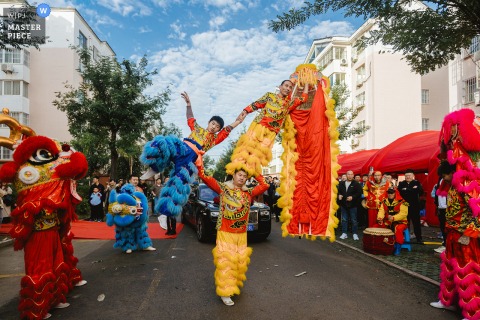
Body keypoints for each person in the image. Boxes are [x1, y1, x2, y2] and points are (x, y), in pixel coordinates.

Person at [140, 92, 245, 219]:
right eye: (213, 124)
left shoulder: (215, 139)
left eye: (217, 127)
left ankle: (165, 214)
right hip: (182, 148)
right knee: (164, 143)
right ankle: (155, 167)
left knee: (178, 185)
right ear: (209, 122)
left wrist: (238, 122)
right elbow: (190, 118)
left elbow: (227, 130)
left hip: (190, 158)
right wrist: (188, 105)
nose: (214, 127)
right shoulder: (197, 129)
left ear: (218, 130)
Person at [196, 157, 268, 306]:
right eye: (239, 175)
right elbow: (205, 176)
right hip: (225, 232)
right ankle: (225, 292)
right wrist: (199, 161)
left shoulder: (249, 193)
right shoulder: (224, 189)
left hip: (241, 234)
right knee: (226, 262)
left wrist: (255, 170)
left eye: (245, 176)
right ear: (233, 175)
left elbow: (265, 184)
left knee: (239, 263)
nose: (242, 178)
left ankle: (233, 286)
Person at [226, 80, 309, 177]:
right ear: (280, 86)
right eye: (286, 86)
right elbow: (256, 104)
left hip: (271, 133)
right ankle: (231, 176)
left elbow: (303, 98)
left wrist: (307, 82)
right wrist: (244, 112)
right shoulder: (270, 96)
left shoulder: (289, 104)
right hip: (259, 126)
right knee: (246, 151)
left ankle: (245, 178)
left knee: (256, 157)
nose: (288, 88)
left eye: (290, 87)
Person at [377, 188, 409, 255]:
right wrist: (380, 218)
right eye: (389, 193)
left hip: (401, 222)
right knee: (378, 226)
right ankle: (382, 245)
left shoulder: (404, 202)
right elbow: (381, 211)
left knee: (398, 229)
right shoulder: (384, 201)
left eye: (392, 193)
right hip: (389, 221)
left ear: (395, 193)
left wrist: (394, 218)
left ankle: (398, 247)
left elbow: (403, 214)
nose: (390, 194)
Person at [431, 162, 453, 254]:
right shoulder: (440, 181)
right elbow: (436, 195)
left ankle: (448, 246)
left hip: (449, 209)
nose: (444, 178)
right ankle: (445, 244)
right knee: (443, 227)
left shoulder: (454, 183)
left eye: (444, 176)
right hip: (441, 207)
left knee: (448, 229)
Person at [398, 169, 424, 243]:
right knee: (405, 223)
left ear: (413, 176)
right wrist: (412, 190)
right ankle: (405, 237)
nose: (408, 177)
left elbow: (420, 191)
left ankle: (419, 238)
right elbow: (400, 192)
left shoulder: (417, 183)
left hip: (415, 206)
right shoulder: (401, 183)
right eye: (406, 176)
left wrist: (406, 190)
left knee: (416, 223)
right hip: (404, 207)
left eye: (409, 175)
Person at [338, 170, 363, 240]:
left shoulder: (356, 184)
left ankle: (355, 233)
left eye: (351, 174)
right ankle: (344, 233)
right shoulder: (342, 183)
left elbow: (359, 193)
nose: (350, 176)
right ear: (346, 175)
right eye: (348, 174)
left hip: (353, 205)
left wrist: (353, 197)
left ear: (353, 175)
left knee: (353, 220)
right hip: (343, 204)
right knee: (344, 219)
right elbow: (339, 191)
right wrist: (339, 195)